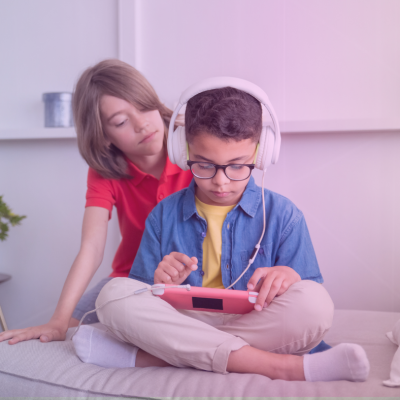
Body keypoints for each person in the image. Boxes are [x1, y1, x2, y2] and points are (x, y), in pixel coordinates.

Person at [72, 82, 370, 381]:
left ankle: (157, 357)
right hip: (185, 319)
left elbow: (308, 288)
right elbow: (140, 291)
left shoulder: (283, 214)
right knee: (113, 295)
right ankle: (277, 366)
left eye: (237, 166)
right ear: (183, 152)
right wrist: (160, 282)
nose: (221, 182)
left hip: (253, 321)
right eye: (204, 165)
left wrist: (289, 277)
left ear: (261, 155)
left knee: (316, 303)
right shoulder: (163, 215)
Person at [0, 59, 192, 345]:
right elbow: (91, 248)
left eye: (143, 107)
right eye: (121, 122)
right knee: (69, 332)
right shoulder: (105, 171)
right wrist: (58, 321)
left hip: (191, 276)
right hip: (130, 279)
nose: (142, 125)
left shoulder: (194, 145)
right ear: (103, 137)